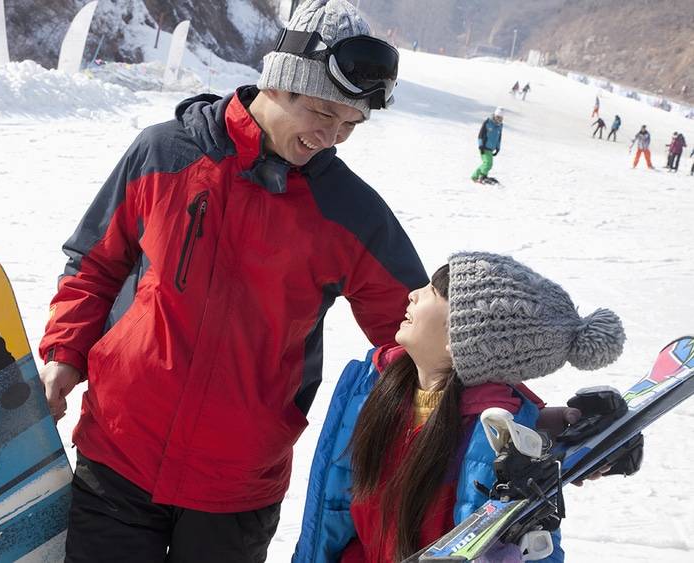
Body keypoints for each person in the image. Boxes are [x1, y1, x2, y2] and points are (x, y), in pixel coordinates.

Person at [36, 1, 427, 561]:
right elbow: (94, 265)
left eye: (350, 124)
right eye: (322, 112)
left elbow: (418, 331)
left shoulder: (350, 211)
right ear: (278, 84)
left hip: (237, 486)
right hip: (118, 455)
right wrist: (64, 354)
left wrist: (510, 407)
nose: (333, 136)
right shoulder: (163, 152)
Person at [293, 252, 626, 562]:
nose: (413, 294)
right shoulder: (370, 383)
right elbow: (330, 508)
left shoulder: (501, 443)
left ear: (462, 339)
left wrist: (539, 446)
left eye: (432, 292)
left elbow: (529, 550)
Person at [471, 107, 503, 183]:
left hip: (491, 148)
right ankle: (482, 176)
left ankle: (474, 176)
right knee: (488, 163)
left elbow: (499, 137)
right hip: (484, 147)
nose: (499, 120)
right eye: (498, 117)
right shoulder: (488, 122)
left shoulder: (500, 126)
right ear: (495, 116)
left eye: (501, 118)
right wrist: (480, 145)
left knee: (486, 163)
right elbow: (481, 135)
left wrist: (498, 147)